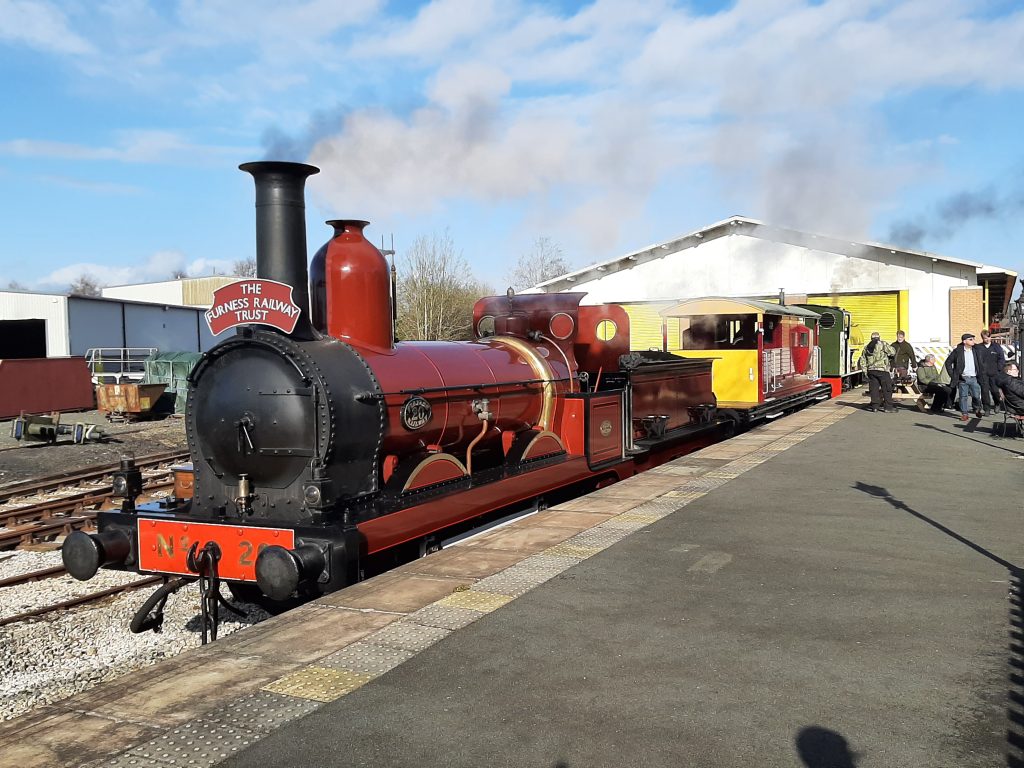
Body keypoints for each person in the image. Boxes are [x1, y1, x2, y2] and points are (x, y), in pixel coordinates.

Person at [944, 332, 983, 422]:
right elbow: (948, 363)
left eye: (973, 339)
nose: (973, 341)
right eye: (970, 339)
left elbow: (981, 363)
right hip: (963, 378)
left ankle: (977, 408)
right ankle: (964, 414)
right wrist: (953, 375)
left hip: (974, 377)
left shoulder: (976, 350)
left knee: (976, 396)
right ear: (964, 341)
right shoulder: (958, 351)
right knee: (963, 396)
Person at [858, 332, 896, 412]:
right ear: (879, 338)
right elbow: (893, 352)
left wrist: (865, 372)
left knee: (874, 390)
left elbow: (863, 361)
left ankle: (875, 407)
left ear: (871, 338)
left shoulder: (866, 347)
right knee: (887, 389)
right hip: (882, 370)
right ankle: (888, 407)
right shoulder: (883, 344)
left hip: (871, 371)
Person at [976, 330, 1003, 414]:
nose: (987, 339)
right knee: (984, 391)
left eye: (988, 337)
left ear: (991, 337)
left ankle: (997, 403)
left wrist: (999, 368)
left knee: (995, 390)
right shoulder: (978, 347)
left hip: (994, 373)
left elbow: (1001, 358)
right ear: (982, 338)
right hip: (983, 373)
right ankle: (986, 408)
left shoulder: (996, 347)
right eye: (985, 338)